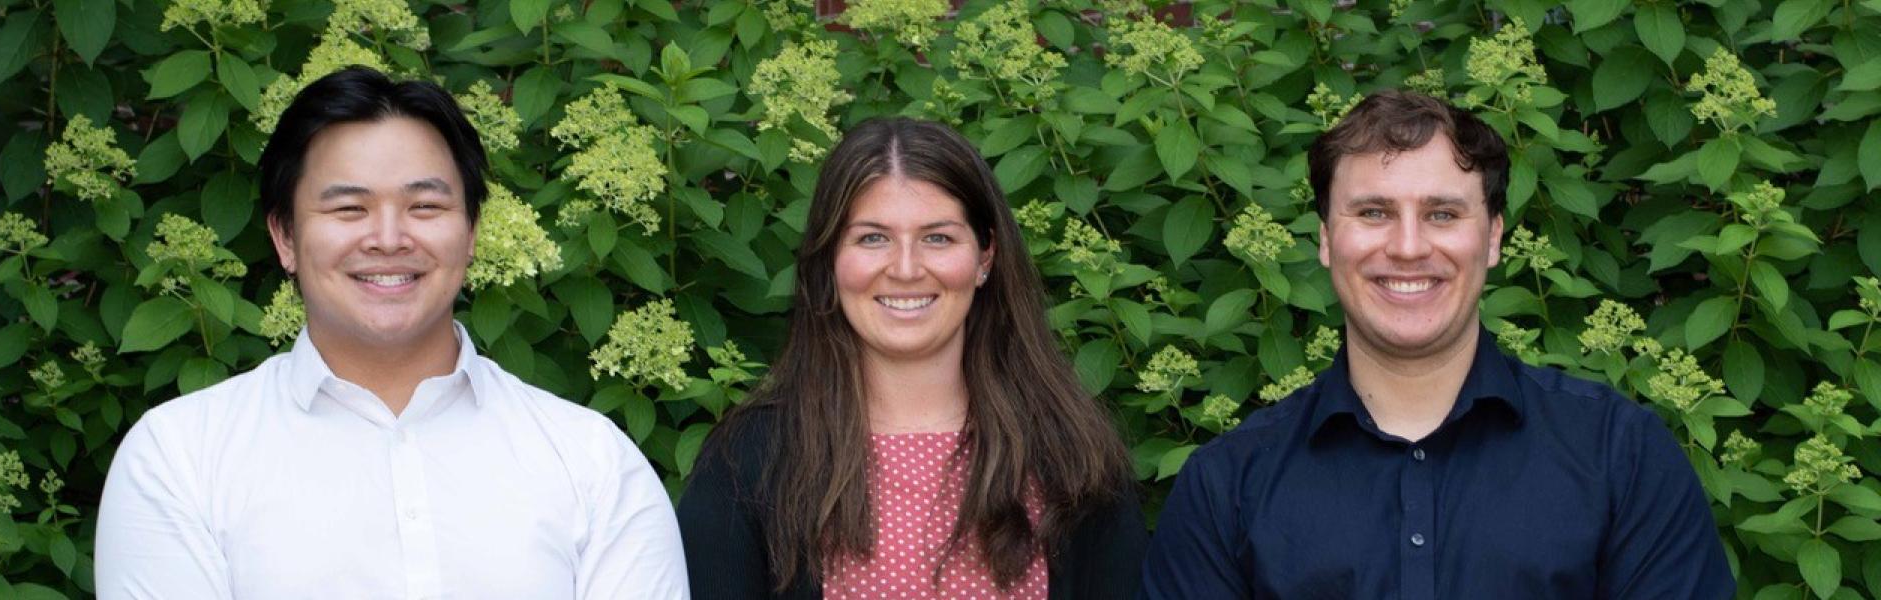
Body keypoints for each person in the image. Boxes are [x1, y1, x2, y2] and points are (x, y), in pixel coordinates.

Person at [94, 67, 688, 599]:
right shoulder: (180, 459)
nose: (387, 237)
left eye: (424, 207)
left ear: (472, 231)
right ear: (285, 238)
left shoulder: (593, 464)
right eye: (348, 209)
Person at [1141, 90, 1733, 599]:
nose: (1406, 247)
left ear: (1494, 237)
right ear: (1325, 239)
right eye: (1373, 211)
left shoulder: (1621, 458)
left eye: (1443, 214)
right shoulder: (1228, 486)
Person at [677, 117, 1146, 599]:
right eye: (872, 238)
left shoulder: (1072, 458)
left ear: (985, 257)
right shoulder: (747, 461)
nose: (905, 269)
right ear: (830, 257)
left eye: (937, 238)